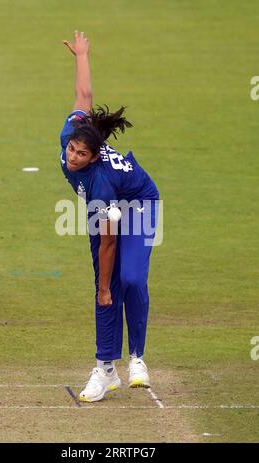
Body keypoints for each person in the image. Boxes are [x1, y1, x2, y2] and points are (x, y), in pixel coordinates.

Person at [59, 31, 160, 402]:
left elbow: (110, 241)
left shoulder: (102, 180)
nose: (72, 156)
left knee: (125, 280)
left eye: (81, 154)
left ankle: (137, 359)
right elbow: (84, 97)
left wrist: (105, 286)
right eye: (72, 149)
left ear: (95, 156)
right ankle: (105, 370)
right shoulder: (71, 132)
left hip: (138, 203)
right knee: (104, 291)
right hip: (102, 208)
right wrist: (81, 55)